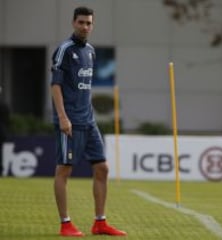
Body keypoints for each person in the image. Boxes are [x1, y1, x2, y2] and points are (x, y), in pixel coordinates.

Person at [51, 6, 127, 237]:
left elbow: (84, 88)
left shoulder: (91, 52)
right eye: (81, 22)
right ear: (74, 23)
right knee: (64, 170)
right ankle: (65, 224)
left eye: (89, 23)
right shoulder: (64, 50)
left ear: (92, 25)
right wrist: (63, 117)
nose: (85, 26)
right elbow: (55, 86)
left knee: (102, 168)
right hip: (70, 121)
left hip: (89, 119)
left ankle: (100, 223)